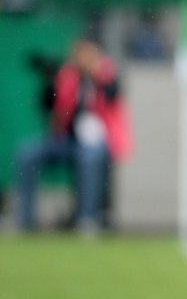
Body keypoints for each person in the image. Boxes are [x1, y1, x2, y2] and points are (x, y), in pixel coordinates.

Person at [16, 37, 132, 234]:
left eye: (87, 53)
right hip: (66, 139)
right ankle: (25, 220)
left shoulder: (106, 75)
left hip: (96, 143)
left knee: (89, 157)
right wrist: (49, 80)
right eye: (79, 53)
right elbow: (47, 105)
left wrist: (96, 76)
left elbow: (113, 95)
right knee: (27, 154)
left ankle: (87, 219)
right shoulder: (66, 77)